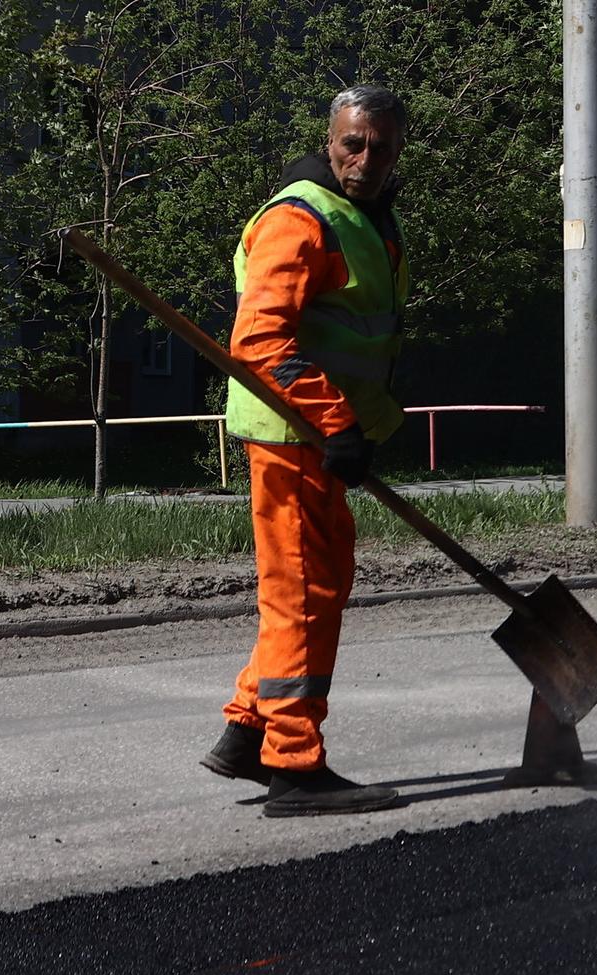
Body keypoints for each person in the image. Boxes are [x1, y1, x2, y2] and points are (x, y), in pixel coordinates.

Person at [196, 85, 412, 818]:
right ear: (330, 141)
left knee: (318, 585)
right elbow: (258, 342)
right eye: (354, 142)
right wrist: (335, 423)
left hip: (323, 441)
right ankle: (294, 762)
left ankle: (248, 729)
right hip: (296, 438)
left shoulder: (365, 220)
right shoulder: (301, 217)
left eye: (380, 146)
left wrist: (356, 429)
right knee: (302, 597)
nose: (366, 158)